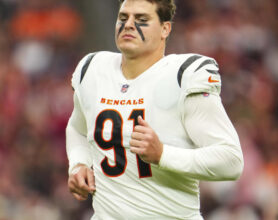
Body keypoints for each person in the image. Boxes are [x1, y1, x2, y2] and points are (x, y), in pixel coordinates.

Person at [65, 0, 244, 219]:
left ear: (165, 29)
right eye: (123, 18)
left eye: (141, 20)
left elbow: (231, 160)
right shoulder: (93, 68)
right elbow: (77, 128)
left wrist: (163, 154)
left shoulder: (183, 76)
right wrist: (79, 163)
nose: (129, 25)